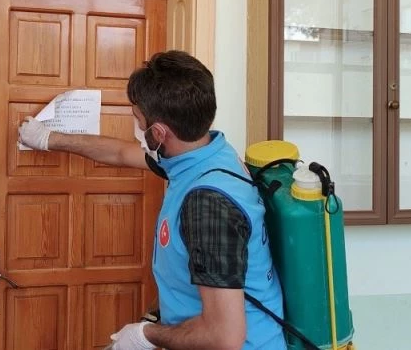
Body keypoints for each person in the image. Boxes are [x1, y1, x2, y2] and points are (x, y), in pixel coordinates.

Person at [18, 50, 285, 350]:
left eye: (138, 119)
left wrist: (146, 335)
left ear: (158, 132)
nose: (136, 127)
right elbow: (120, 153)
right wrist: (48, 138)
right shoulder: (205, 154)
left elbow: (224, 336)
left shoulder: (208, 203)